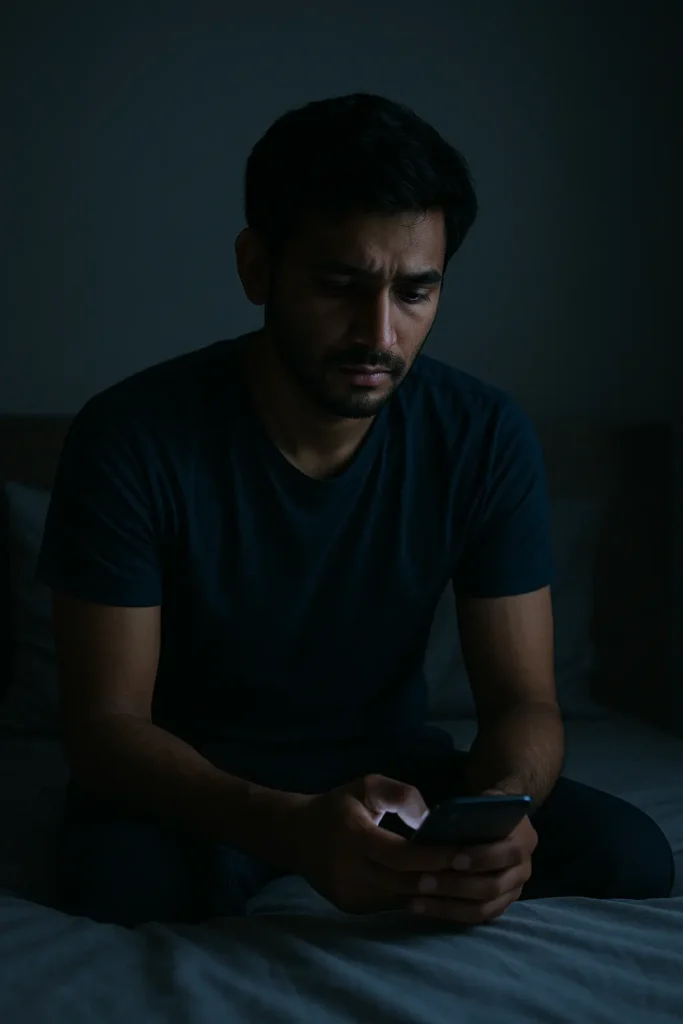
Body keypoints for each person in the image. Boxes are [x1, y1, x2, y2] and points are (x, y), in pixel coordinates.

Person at [37, 92, 674, 929]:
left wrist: (499, 815)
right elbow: (106, 729)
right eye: (340, 285)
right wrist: (291, 830)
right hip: (199, 781)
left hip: (393, 771)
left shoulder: (482, 435)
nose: (379, 333)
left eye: (415, 292)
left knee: (629, 856)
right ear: (257, 268)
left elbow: (523, 702)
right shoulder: (132, 435)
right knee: (120, 884)